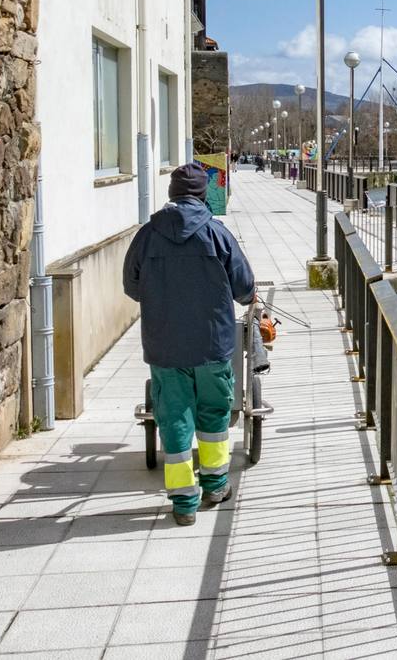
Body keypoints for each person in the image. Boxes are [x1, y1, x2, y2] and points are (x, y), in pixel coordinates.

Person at [122, 163, 256, 526]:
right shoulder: (216, 234)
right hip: (212, 344)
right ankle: (215, 486)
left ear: (171, 194)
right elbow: (244, 286)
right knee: (214, 414)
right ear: (201, 194)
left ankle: (183, 505)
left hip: (164, 345)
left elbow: (132, 287)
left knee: (174, 418)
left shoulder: (147, 235)